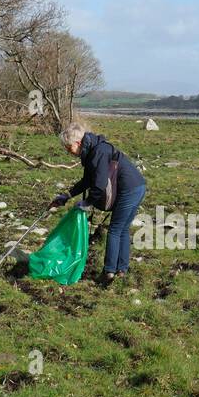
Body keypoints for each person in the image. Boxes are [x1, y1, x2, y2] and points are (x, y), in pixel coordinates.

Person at [49, 121, 147, 285]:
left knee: (115, 230)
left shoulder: (99, 151)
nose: (68, 151)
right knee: (122, 229)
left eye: (68, 147)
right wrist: (67, 195)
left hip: (130, 189)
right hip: (136, 186)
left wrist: (87, 203)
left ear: (78, 143)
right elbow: (87, 180)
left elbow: (99, 185)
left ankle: (108, 272)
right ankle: (121, 270)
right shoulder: (91, 151)